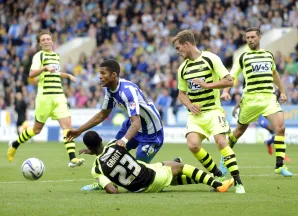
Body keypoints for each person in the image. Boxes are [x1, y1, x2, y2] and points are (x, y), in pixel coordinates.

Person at [66, 59, 164, 188]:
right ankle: (104, 183)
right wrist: (79, 130)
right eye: (99, 73)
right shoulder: (110, 90)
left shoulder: (127, 92)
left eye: (103, 73)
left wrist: (124, 140)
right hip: (131, 125)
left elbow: (137, 122)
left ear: (113, 75)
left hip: (151, 132)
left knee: (139, 172)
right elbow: (103, 114)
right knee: (110, 154)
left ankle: (172, 167)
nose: (99, 76)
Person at [172, 29, 245, 193]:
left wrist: (208, 85)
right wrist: (189, 105)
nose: (178, 52)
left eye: (178, 48)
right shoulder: (183, 68)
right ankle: (218, 175)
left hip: (213, 111)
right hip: (195, 115)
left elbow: (229, 81)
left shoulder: (210, 58)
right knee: (192, 145)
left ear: (187, 44)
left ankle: (238, 181)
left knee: (221, 142)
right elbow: (181, 94)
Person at [220, 27, 293, 177]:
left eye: (253, 37)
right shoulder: (242, 57)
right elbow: (231, 76)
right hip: (251, 100)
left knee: (280, 128)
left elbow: (275, 74)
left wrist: (283, 91)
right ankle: (225, 159)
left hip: (268, 98)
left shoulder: (268, 55)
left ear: (259, 38)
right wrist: (225, 91)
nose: (250, 40)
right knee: (237, 133)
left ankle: (279, 165)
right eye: (248, 38)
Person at [7, 29, 85, 168]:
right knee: (37, 130)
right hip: (45, 98)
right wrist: (44, 68)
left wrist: (67, 75)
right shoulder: (39, 56)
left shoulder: (56, 56)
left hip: (59, 96)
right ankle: (14, 144)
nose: (46, 41)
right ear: (39, 43)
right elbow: (31, 74)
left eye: (48, 39)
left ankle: (72, 158)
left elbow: (55, 73)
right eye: (43, 40)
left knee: (67, 126)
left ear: (52, 41)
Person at [81, 130, 234, 194]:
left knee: (168, 173)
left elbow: (112, 190)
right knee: (180, 166)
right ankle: (219, 185)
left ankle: (172, 168)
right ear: (101, 139)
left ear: (88, 147)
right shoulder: (116, 143)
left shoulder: (96, 169)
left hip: (138, 188)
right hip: (151, 177)